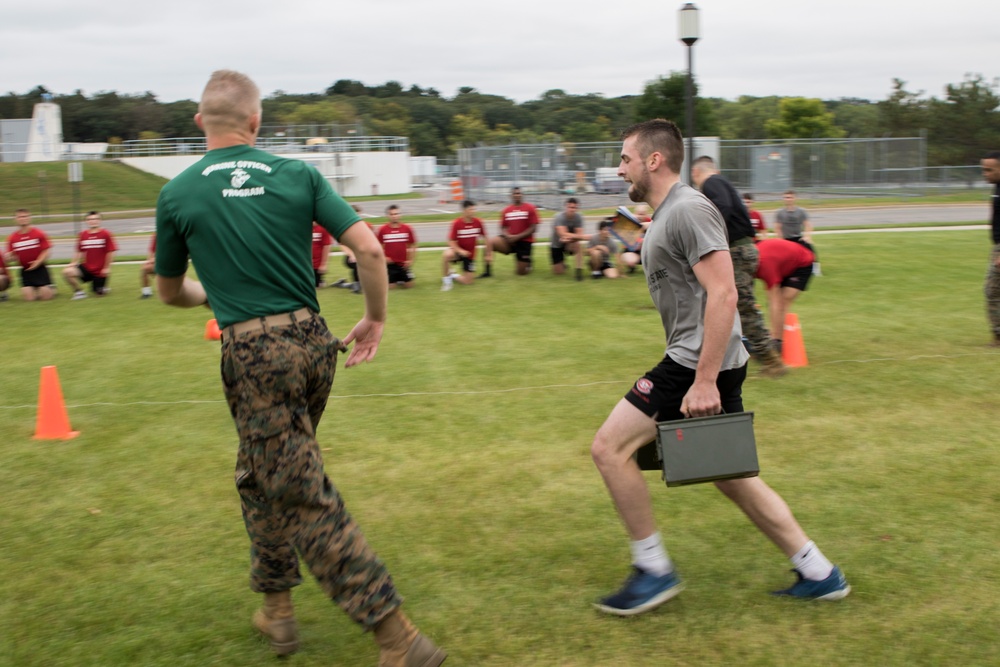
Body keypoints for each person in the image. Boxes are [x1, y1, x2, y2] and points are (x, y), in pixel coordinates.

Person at [154, 70, 445, 667]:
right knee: (260, 474)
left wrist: (212, 295)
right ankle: (278, 611)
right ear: (256, 123)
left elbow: (168, 293)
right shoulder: (297, 173)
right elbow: (368, 249)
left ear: (198, 121)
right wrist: (375, 317)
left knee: (301, 492)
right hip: (315, 344)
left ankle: (398, 640)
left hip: (257, 357)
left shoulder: (177, 193)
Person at [590, 119, 849, 617]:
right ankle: (819, 572)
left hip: (693, 363)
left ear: (654, 160)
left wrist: (704, 379)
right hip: (708, 359)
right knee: (730, 475)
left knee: (608, 447)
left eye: (625, 159)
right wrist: (643, 241)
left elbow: (725, 291)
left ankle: (653, 570)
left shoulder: (688, 209)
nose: (619, 168)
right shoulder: (668, 214)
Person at [691, 156, 785, 377]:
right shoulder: (721, 182)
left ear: (696, 172)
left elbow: (723, 206)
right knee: (724, 305)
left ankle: (771, 360)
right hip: (742, 250)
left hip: (737, 252)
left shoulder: (711, 182)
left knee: (743, 307)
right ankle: (723, 354)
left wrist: (707, 234)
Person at [755, 238, 816, 349]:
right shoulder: (748, 260)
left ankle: (777, 341)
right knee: (775, 302)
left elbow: (774, 300)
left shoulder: (764, 265)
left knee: (781, 302)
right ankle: (773, 337)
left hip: (802, 261)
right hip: (782, 262)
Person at [63, 211, 117, 299]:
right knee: (67, 272)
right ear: (86, 221)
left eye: (95, 219)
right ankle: (79, 292)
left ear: (100, 220)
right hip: (87, 268)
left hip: (100, 271)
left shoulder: (105, 234)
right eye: (90, 219)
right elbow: (79, 251)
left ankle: (102, 287)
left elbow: (110, 252)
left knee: (99, 294)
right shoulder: (83, 235)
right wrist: (73, 263)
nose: (93, 221)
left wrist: (107, 267)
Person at [487, 187, 539, 276]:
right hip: (510, 241)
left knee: (521, 273)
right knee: (490, 242)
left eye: (519, 193)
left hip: (524, 242)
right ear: (510, 196)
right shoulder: (506, 210)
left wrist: (517, 237)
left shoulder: (530, 208)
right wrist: (507, 235)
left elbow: (533, 228)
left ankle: (528, 262)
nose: (517, 195)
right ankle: (487, 272)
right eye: (515, 194)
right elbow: (502, 227)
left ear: (522, 195)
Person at [6, 208, 54, 302]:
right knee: (29, 299)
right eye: (19, 217)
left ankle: (51, 287)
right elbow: (12, 257)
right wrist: (9, 257)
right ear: (15, 219)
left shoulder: (38, 233)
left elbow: (46, 251)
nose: (22, 219)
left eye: (25, 216)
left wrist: (38, 262)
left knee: (46, 297)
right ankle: (34, 288)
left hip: (40, 269)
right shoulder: (13, 238)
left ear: (29, 218)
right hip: (26, 271)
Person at [441, 199, 490, 291]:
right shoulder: (456, 223)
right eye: (471, 210)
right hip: (458, 252)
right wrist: (460, 251)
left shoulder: (478, 222)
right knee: (446, 255)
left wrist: (488, 254)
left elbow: (486, 238)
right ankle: (446, 281)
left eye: (474, 209)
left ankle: (452, 275)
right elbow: (451, 241)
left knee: (468, 282)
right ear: (464, 211)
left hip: (469, 255)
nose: (473, 211)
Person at [982, 151, 1000, 347]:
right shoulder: (997, 187)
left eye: (989, 169)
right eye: (983, 169)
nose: (985, 173)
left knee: (992, 290)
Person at [377, 205, 417, 289]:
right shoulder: (383, 229)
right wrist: (383, 258)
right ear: (388, 216)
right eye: (392, 214)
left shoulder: (407, 228)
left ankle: (403, 277)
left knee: (409, 287)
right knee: (391, 288)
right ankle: (391, 277)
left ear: (400, 215)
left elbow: (413, 245)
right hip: (390, 265)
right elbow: (377, 247)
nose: (394, 216)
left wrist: (410, 260)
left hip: (403, 264)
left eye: (396, 214)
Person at [549, 197, 589, 280]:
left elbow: (579, 234)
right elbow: (562, 234)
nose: (572, 210)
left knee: (578, 245)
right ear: (566, 207)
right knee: (558, 272)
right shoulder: (559, 217)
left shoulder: (579, 217)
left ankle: (579, 271)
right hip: (557, 244)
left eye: (575, 208)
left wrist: (571, 238)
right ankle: (562, 263)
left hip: (569, 242)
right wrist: (582, 237)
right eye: (570, 207)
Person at [311, 221, 334, 288]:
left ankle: (320, 281)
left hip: (316, 264)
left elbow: (327, 246)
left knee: (315, 285)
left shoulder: (322, 229)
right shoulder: (302, 228)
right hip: (305, 263)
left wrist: (324, 264)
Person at [140, 234, 157, 299]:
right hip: (159, 262)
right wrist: (149, 261)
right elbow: (151, 251)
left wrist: (155, 259)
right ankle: (146, 293)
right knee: (145, 269)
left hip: (171, 262)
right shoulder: (156, 236)